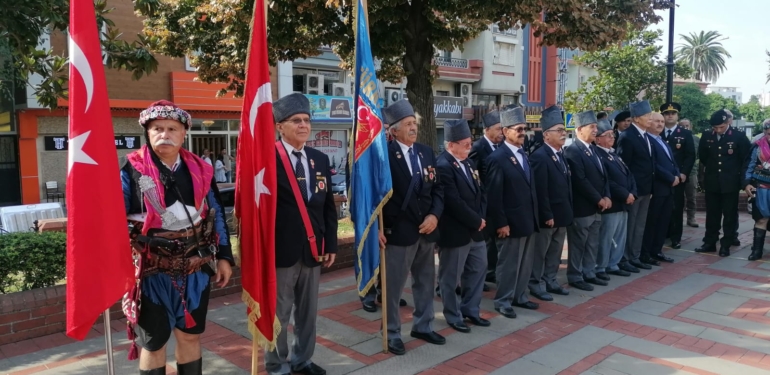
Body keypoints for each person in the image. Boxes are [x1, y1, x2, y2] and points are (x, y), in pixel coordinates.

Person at [121, 100, 234, 375]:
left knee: (190, 336)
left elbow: (216, 213)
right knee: (154, 342)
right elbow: (114, 222)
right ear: (147, 132)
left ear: (184, 133)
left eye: (172, 128)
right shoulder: (130, 171)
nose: (164, 134)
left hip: (195, 268)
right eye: (157, 128)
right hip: (151, 272)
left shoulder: (201, 171)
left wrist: (225, 256)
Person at [267, 93, 338, 375]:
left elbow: (328, 207)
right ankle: (276, 364)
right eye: (296, 120)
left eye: (307, 120)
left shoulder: (319, 159)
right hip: (281, 249)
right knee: (279, 315)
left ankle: (302, 360)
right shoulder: (267, 158)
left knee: (308, 313)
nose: (303, 125)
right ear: (279, 126)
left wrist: (330, 242)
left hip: (313, 248)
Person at [380, 99, 445, 355]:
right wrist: (375, 228)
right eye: (407, 124)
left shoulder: (426, 152)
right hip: (397, 232)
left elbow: (438, 189)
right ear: (394, 130)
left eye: (414, 123)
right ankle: (391, 332)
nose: (413, 128)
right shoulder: (383, 155)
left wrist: (435, 216)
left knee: (426, 282)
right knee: (393, 288)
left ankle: (423, 324)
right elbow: (373, 197)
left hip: (426, 231)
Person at [436, 119, 490, 333]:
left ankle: (471, 310)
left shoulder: (468, 162)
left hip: (476, 231)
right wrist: (476, 220)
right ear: (451, 145)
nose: (470, 145)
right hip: (455, 232)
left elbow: (480, 192)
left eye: (470, 141)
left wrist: (481, 217)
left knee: (478, 270)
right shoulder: (443, 165)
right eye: (465, 142)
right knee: (450, 277)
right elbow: (453, 201)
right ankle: (452, 315)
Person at [486, 106, 539, 319]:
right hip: (510, 222)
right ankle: (503, 300)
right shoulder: (497, 158)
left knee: (525, 264)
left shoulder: (523, 154)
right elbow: (494, 195)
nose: (522, 132)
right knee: (508, 265)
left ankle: (520, 296)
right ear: (506, 131)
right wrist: (501, 223)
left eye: (524, 129)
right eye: (518, 129)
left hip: (527, 219)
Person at [563, 110, 611, 291]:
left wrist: (606, 196)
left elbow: (603, 176)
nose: (595, 130)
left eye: (596, 127)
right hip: (583, 207)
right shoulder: (573, 150)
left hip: (597, 206)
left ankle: (589, 272)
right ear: (580, 129)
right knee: (578, 244)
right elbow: (579, 180)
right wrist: (598, 198)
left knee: (592, 242)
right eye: (592, 127)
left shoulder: (593, 149)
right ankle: (575, 275)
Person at [528, 106, 572, 301]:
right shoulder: (539, 157)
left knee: (555, 251)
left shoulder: (561, 154)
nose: (563, 134)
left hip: (561, 213)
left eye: (564, 130)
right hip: (548, 216)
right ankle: (535, 283)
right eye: (559, 131)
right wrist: (547, 215)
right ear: (546, 135)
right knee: (540, 252)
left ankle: (551, 280)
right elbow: (540, 190)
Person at [694, 109, 751, 257]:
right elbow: (704, 158)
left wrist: (743, 180)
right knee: (712, 214)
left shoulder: (739, 136)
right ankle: (710, 242)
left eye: (721, 127)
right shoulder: (707, 136)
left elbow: (745, 159)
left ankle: (726, 243)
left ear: (728, 122)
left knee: (729, 214)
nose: (718, 130)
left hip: (730, 182)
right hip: (712, 181)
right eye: (715, 128)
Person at [617, 100, 655, 272]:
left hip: (646, 189)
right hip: (634, 190)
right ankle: (624, 258)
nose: (650, 119)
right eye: (647, 116)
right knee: (630, 226)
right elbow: (624, 167)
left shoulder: (646, 135)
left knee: (640, 225)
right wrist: (628, 191)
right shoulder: (627, 136)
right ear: (637, 118)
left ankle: (635, 256)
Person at [594, 118, 635, 278]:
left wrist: (632, 192)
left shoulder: (613, 154)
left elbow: (628, 174)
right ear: (598, 139)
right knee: (607, 237)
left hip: (624, 203)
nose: (613, 138)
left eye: (613, 135)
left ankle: (613, 263)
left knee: (619, 236)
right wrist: (625, 194)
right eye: (608, 135)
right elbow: (607, 180)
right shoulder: (599, 155)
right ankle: (601, 266)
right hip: (613, 202)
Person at [470, 110, 503, 285]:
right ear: (488, 129)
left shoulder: (500, 146)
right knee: (486, 242)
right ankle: (481, 276)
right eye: (498, 129)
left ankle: (491, 271)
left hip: (497, 202)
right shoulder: (478, 148)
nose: (501, 133)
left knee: (494, 241)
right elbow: (474, 177)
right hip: (484, 204)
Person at [642, 112, 679, 265]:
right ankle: (646, 253)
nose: (660, 124)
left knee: (663, 222)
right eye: (656, 121)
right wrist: (671, 178)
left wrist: (676, 173)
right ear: (649, 122)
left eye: (662, 122)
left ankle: (657, 250)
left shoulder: (662, 140)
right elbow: (653, 164)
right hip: (657, 187)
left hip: (668, 189)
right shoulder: (647, 140)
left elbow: (671, 162)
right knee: (652, 222)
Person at [660, 103, 695, 250]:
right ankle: (662, 235)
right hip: (661, 178)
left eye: (673, 113)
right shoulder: (657, 132)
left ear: (677, 115)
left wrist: (684, 173)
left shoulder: (685, 133)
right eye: (667, 113)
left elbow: (690, 155)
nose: (670, 116)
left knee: (677, 208)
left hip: (678, 178)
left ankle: (675, 238)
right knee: (660, 208)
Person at [744, 119, 770, 261]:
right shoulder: (757, 147)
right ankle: (757, 251)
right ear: (765, 131)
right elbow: (750, 166)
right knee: (761, 219)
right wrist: (747, 183)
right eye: (768, 131)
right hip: (761, 188)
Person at [680, 118, 700, 228]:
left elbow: (699, 156)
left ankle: (691, 217)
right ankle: (679, 219)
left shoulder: (696, 139)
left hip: (691, 172)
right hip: (679, 172)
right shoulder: (677, 138)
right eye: (682, 125)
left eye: (687, 125)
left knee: (691, 197)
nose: (685, 127)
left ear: (690, 126)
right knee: (679, 198)